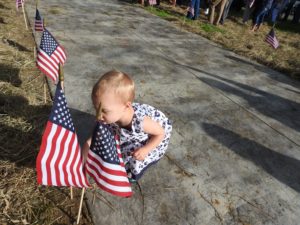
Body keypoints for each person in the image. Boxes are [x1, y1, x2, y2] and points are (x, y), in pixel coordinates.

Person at [83, 70, 172, 182]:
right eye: (96, 109)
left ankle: (134, 174)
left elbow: (160, 133)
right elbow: (92, 138)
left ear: (126, 106)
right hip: (131, 130)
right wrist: (84, 157)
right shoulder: (111, 115)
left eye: (104, 111)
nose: (98, 116)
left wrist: (145, 149)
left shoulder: (140, 121)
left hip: (154, 135)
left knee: (135, 155)